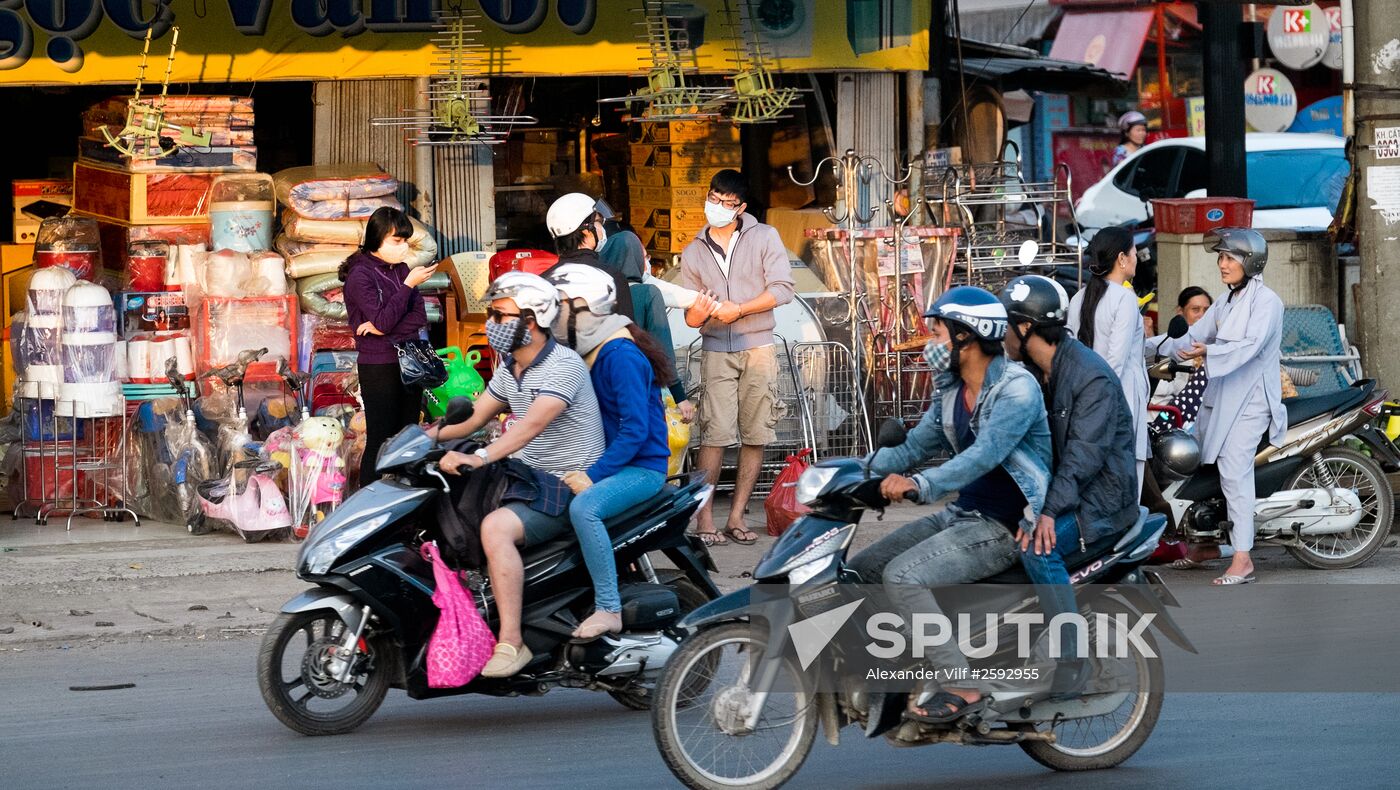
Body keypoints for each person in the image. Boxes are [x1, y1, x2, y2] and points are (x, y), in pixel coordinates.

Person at [847, 287, 1052, 723]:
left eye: (937, 332)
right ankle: (909, 663)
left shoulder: (1017, 388)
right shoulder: (952, 391)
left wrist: (919, 485)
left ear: (967, 336)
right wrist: (845, 474)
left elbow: (983, 455)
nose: (930, 343)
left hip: (1004, 526)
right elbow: (912, 448)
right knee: (860, 572)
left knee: (902, 577)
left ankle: (961, 683)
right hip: (963, 515)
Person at [435, 272, 607, 677]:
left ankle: (512, 641)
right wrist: (423, 436)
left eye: (499, 316)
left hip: (565, 483)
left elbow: (529, 426)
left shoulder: (563, 367)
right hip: (526, 477)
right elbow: (477, 415)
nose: (491, 323)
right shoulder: (511, 367)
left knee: (494, 529)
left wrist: (480, 457)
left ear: (531, 321)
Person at [999, 274, 1140, 694]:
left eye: (1005, 325)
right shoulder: (1036, 372)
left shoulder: (1088, 377)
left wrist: (1047, 512)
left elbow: (1082, 459)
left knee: (1038, 550)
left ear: (1025, 328)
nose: (999, 335)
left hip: (1100, 504)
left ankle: (1071, 658)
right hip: (1069, 494)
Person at [1153, 229, 1287, 585]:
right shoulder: (1226, 302)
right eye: (1221, 257)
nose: (1222, 264)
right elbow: (1191, 338)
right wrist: (1148, 348)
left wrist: (1210, 352)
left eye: (1230, 258)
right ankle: (1206, 545)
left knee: (1232, 469)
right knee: (1200, 464)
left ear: (1250, 261)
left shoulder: (1267, 302)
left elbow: (1250, 347)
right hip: (1223, 396)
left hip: (1252, 400)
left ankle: (1242, 557)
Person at [547, 264, 673, 639]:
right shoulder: (591, 351)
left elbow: (636, 430)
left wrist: (593, 476)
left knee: (585, 509)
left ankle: (609, 608)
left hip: (643, 468)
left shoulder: (620, 355)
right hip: (615, 462)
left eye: (559, 308)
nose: (552, 319)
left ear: (582, 308)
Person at [679, 169, 794, 546]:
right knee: (713, 435)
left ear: (741, 207)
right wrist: (701, 311)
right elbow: (691, 317)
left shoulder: (764, 236)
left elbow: (782, 289)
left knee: (755, 435)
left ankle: (737, 516)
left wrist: (739, 310)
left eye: (726, 203)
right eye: (713, 198)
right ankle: (705, 519)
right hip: (715, 349)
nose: (716, 207)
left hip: (758, 347)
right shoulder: (693, 249)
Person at [339, 206, 437, 487]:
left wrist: (384, 328)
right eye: (397, 240)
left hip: (410, 360)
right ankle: (368, 501)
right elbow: (383, 318)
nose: (403, 246)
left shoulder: (403, 269)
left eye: (405, 240)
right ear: (376, 239)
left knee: (408, 435)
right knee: (380, 438)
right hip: (379, 364)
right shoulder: (361, 275)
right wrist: (406, 287)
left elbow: (418, 316)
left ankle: (403, 502)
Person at [596, 208, 712, 423]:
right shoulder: (647, 293)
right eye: (643, 256)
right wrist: (679, 396)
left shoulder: (599, 294)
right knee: (649, 447)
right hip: (643, 385)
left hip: (604, 387)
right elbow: (662, 345)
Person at [1067, 226, 1149, 492]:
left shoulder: (1078, 297)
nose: (1137, 257)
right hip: (1119, 396)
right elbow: (1115, 361)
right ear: (1122, 258)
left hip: (1084, 399)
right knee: (1127, 480)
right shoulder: (1125, 298)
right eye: (1135, 251)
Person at [542, 192, 635, 320]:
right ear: (586, 230)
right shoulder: (612, 278)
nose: (601, 227)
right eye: (597, 221)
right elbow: (626, 334)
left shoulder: (543, 281)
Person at [1149, 286, 1212, 404]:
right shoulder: (1169, 343)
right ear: (1180, 312)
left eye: (1206, 310)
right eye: (1195, 309)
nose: (1202, 316)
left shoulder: (1216, 345)